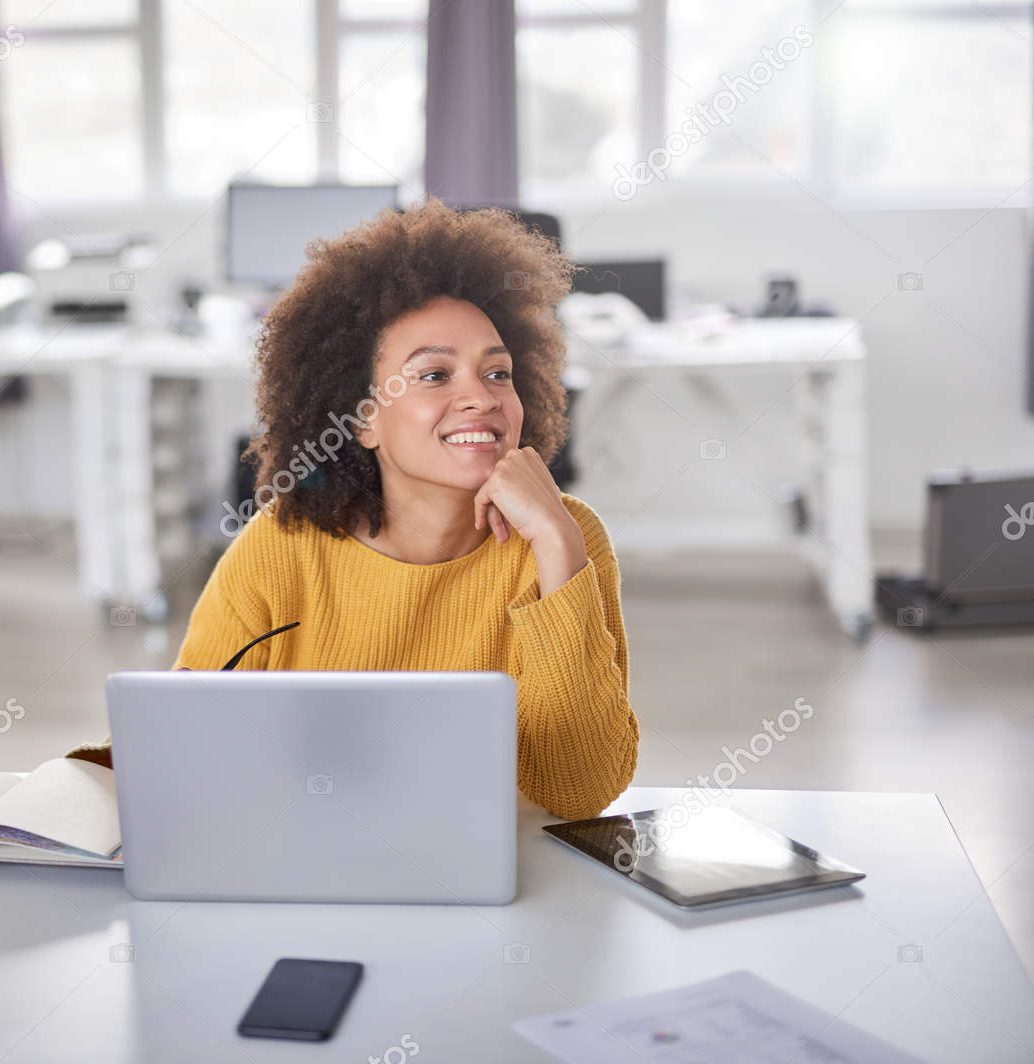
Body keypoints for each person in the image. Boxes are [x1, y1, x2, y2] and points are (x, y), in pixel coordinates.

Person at [64, 198, 639, 820]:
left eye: (497, 373)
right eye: (434, 376)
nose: (481, 397)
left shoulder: (566, 538)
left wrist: (555, 543)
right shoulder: (283, 544)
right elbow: (183, 744)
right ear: (363, 418)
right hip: (302, 858)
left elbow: (579, 792)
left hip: (491, 873)